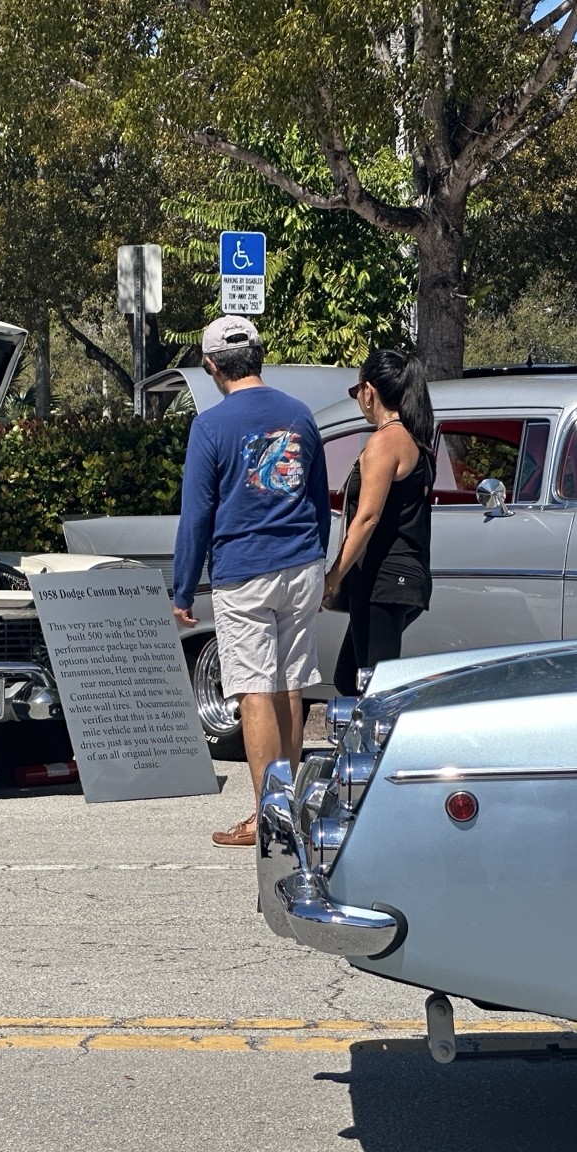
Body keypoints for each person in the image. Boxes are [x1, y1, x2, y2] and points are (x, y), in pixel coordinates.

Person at [172, 316, 332, 848]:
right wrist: (317, 560)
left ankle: (269, 818)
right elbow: (318, 499)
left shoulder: (211, 425)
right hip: (302, 562)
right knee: (291, 686)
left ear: (212, 365)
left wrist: (182, 590)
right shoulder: (300, 415)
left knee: (252, 692)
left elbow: (196, 515)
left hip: (245, 570)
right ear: (260, 356)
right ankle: (295, 810)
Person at [323, 349, 435, 695]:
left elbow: (367, 517)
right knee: (349, 677)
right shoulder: (414, 437)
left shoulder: (385, 442)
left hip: (383, 578)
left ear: (369, 391)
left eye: (356, 392)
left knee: (375, 686)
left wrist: (333, 576)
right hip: (403, 576)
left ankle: (383, 747)